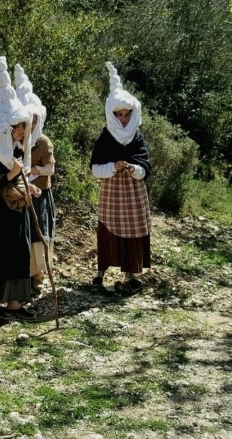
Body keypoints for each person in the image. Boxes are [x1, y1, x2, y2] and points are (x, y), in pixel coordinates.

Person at [0, 57, 41, 320]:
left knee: (19, 253)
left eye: (24, 126)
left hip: (18, 212)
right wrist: (9, 176)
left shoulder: (20, 150)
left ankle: (15, 303)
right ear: (6, 128)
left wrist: (30, 188)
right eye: (17, 126)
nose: (22, 130)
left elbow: (21, 177)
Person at [90, 61, 151, 292]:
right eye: (119, 115)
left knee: (134, 229)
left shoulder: (137, 138)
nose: (124, 120)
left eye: (127, 115)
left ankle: (132, 274)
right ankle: (101, 271)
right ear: (112, 114)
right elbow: (95, 168)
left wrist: (134, 169)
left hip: (134, 192)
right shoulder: (106, 138)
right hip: (112, 191)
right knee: (108, 228)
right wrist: (113, 167)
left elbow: (145, 167)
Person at [13, 65, 56, 291]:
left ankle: (38, 273)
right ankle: (23, 273)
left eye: (35, 119)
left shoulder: (43, 142)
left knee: (39, 234)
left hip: (39, 194)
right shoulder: (13, 142)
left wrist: (33, 171)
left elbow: (50, 168)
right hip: (18, 195)